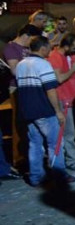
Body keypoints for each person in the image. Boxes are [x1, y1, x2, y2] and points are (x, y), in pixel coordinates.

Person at [15, 36, 70, 186]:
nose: (50, 51)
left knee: (34, 144)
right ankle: (59, 177)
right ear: (43, 48)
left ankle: (35, 177)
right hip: (44, 111)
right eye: (49, 48)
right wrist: (58, 111)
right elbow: (50, 89)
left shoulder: (21, 64)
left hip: (27, 111)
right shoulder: (43, 64)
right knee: (55, 144)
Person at [47, 34, 75, 178]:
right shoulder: (54, 56)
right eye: (73, 47)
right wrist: (73, 70)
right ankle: (72, 160)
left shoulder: (72, 55)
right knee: (69, 132)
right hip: (64, 99)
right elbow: (59, 78)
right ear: (66, 46)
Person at [3, 24, 40, 168]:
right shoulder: (11, 48)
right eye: (32, 39)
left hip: (31, 87)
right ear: (26, 35)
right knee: (19, 124)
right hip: (18, 88)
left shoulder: (27, 48)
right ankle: (19, 158)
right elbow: (14, 70)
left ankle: (32, 153)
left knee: (32, 122)